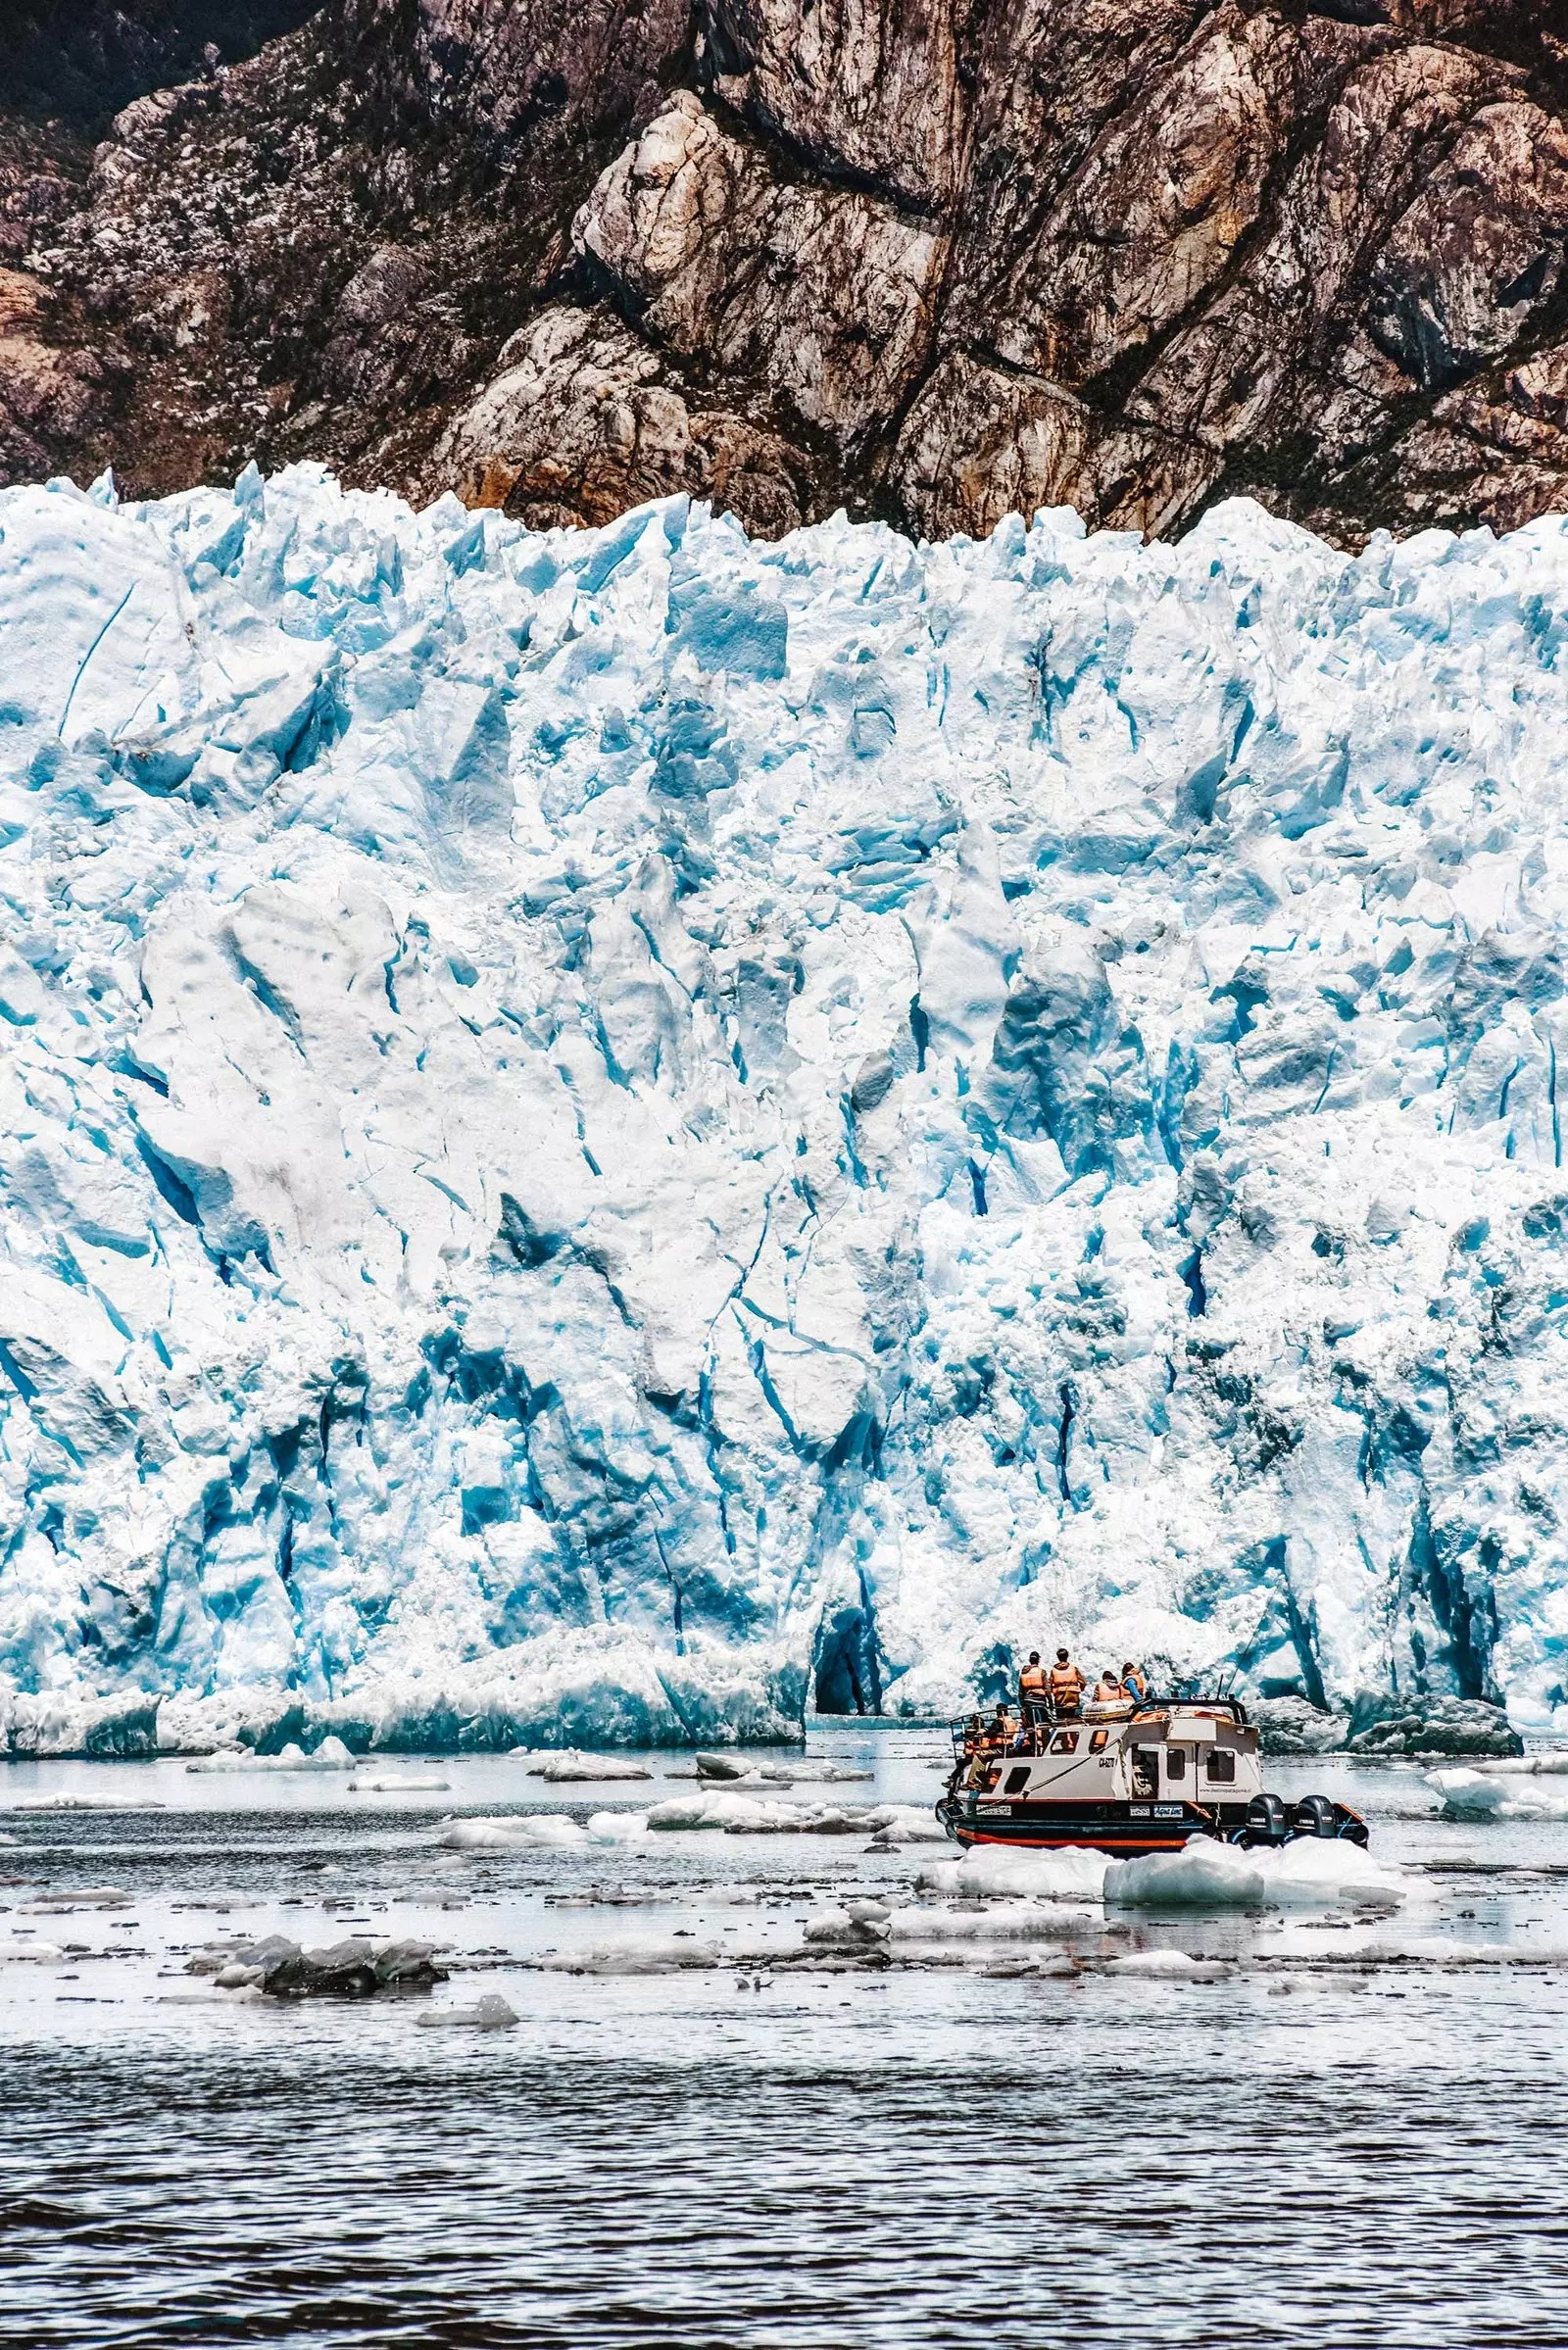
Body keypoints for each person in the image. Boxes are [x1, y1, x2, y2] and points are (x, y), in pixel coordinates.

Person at [1047, 1647, 1086, 1718]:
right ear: (1067, 1656)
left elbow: (1049, 1685)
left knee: (1061, 1716)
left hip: (1060, 1696)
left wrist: (1053, 1691)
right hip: (1073, 1696)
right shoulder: (1074, 1668)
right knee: (1073, 1716)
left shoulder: (1054, 1670)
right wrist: (1079, 1689)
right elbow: (1083, 1682)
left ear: (1058, 1657)